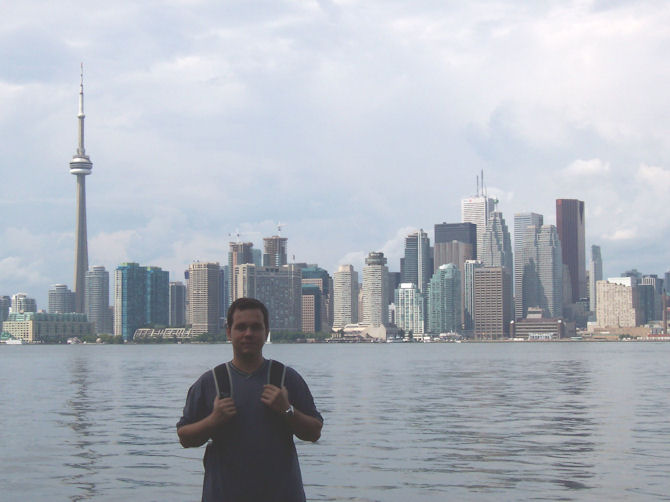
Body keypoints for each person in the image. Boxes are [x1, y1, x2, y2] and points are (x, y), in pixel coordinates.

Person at [177, 297, 323, 502]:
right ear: (229, 332)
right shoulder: (212, 382)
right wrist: (213, 420)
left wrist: (287, 410)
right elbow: (184, 437)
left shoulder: (286, 378)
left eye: (256, 327)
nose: (248, 334)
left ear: (266, 332)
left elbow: (314, 432)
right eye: (241, 327)